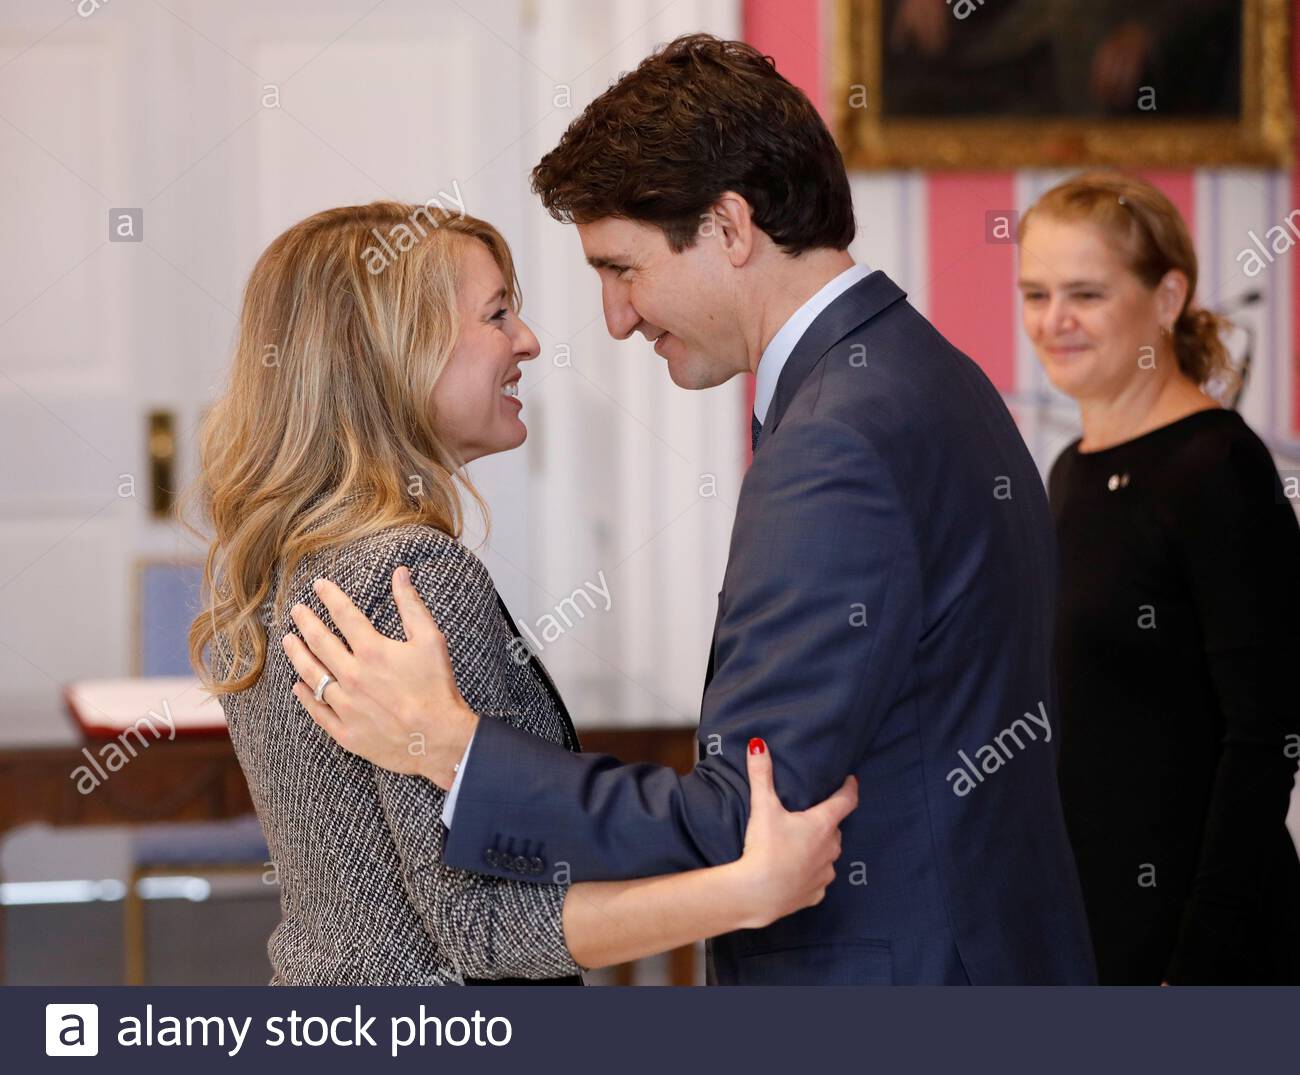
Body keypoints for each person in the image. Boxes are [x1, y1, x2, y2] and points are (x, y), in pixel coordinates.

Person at [286, 34, 1095, 985]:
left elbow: (740, 816)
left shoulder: (838, 436)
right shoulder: (928, 373)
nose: (617, 318)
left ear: (729, 226)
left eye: (622, 268)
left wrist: (454, 748)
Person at [185, 202, 857, 986]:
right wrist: (746, 892)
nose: (529, 341)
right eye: (498, 313)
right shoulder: (411, 576)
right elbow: (482, 927)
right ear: (388, 350)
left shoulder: (275, 565)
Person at [1017, 171, 1300, 983]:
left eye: (1085, 294)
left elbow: (1269, 734)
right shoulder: (1070, 470)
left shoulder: (1218, 467)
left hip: (1205, 951)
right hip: (1090, 928)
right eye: (1034, 293)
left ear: (1167, 296)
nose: (1052, 320)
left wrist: (1196, 965)